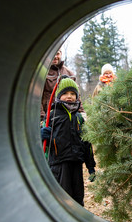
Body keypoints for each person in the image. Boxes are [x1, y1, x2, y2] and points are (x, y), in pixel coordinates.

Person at [41, 78, 96, 206]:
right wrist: (41, 135)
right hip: (58, 164)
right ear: (59, 95)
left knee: (78, 197)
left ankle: (79, 221)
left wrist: (90, 166)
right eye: (65, 93)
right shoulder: (52, 116)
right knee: (63, 198)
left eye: (73, 94)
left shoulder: (79, 118)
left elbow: (86, 143)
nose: (69, 97)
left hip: (76, 163)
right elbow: (41, 145)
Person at [41, 49, 84, 122]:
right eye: (52, 54)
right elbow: (36, 98)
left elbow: (77, 96)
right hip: (48, 117)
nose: (55, 56)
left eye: (57, 53)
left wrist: (81, 113)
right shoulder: (42, 72)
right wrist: (42, 118)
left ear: (61, 54)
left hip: (68, 116)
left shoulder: (69, 73)